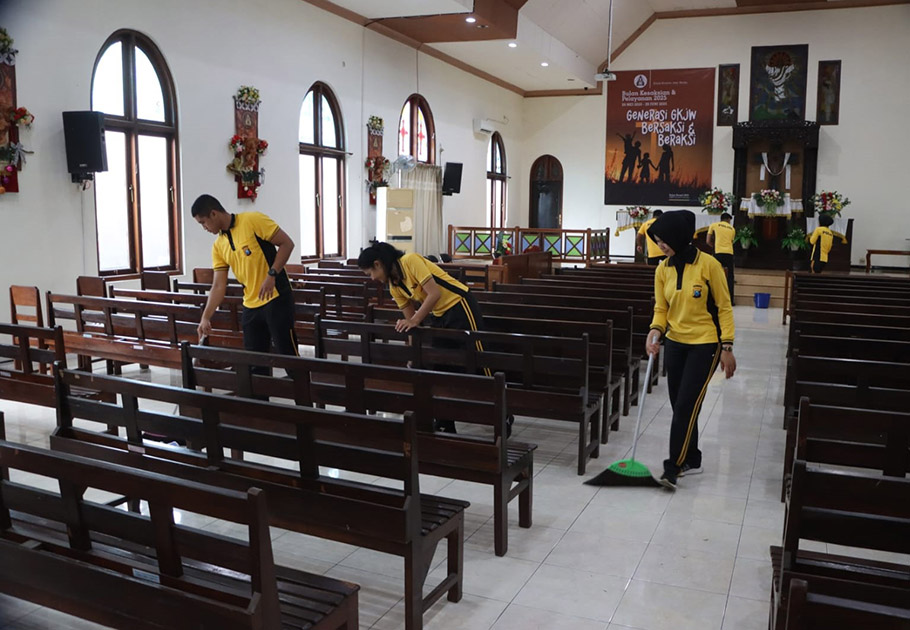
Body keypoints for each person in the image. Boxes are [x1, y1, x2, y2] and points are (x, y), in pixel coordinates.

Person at [358, 241, 495, 434]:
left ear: (378, 264)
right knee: (440, 365)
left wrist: (415, 320)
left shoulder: (410, 261)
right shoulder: (395, 286)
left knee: (478, 358)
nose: (372, 278)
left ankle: (500, 410)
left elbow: (434, 294)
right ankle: (445, 422)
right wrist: (412, 354)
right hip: (439, 315)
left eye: (370, 273)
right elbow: (411, 323)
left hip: (460, 305)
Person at [644, 210, 736, 490]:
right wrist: (655, 331)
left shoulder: (709, 265)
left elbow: (724, 306)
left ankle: (673, 467)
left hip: (705, 344)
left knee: (686, 405)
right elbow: (661, 308)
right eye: (657, 240)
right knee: (680, 404)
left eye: (664, 239)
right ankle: (692, 458)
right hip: (675, 343)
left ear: (678, 236)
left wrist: (727, 345)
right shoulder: (663, 269)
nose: (660, 245)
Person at [192, 194, 298, 361]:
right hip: (250, 305)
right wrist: (205, 317)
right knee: (254, 362)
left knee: (289, 357)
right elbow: (218, 286)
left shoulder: (252, 220)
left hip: (276, 298)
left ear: (214, 214)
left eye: (203, 222)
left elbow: (287, 244)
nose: (204, 227)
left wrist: (272, 274)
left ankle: (300, 379)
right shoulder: (218, 246)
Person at [706, 212, 736, 304]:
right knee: (730, 277)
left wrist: (714, 247)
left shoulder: (714, 225)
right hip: (729, 253)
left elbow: (708, 241)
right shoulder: (732, 229)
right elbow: (731, 242)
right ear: (728, 220)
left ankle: (713, 299)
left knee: (714, 275)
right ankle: (730, 300)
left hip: (718, 252)